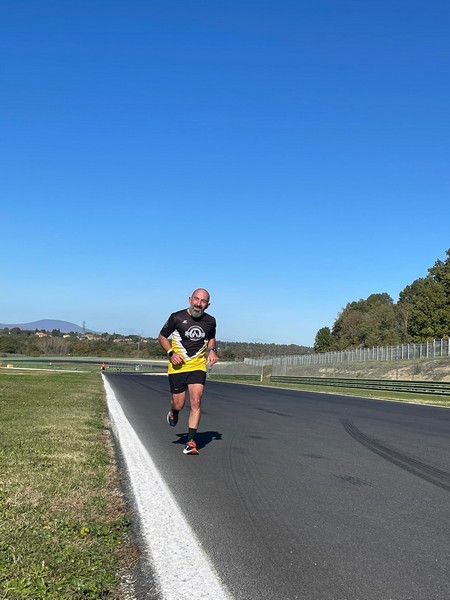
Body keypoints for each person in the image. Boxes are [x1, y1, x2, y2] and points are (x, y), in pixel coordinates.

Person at [158, 288, 219, 455]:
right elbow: (162, 336)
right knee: (179, 403)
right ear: (190, 299)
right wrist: (171, 353)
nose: (199, 304)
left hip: (197, 366)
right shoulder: (176, 317)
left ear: (208, 305)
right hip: (178, 366)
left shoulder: (211, 321)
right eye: (196, 299)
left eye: (203, 301)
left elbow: (211, 338)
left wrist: (212, 350)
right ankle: (173, 412)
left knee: (196, 400)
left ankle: (191, 442)